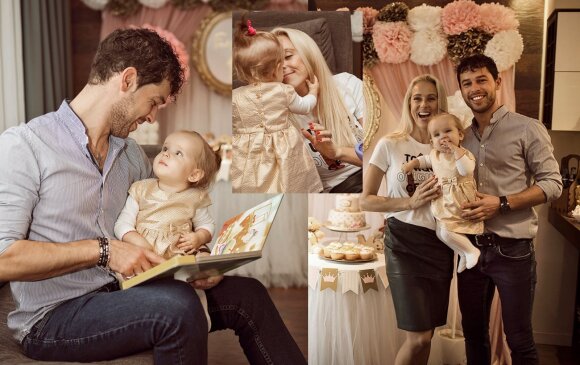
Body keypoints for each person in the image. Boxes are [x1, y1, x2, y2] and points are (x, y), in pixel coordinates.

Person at [0, 28, 306, 364]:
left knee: (249, 295)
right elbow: (4, 258)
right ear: (128, 80)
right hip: (53, 317)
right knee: (175, 306)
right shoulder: (24, 145)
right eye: (154, 102)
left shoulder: (130, 154)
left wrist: (197, 259)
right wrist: (104, 251)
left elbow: (167, 218)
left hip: (122, 292)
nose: (151, 117)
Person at [455, 54, 562, 365]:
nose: (474, 88)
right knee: (473, 335)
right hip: (470, 249)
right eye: (467, 83)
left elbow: (553, 184)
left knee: (519, 339)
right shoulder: (459, 136)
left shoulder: (528, 129)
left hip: (513, 250)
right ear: (461, 90)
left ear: (497, 82)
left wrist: (500, 203)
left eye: (481, 80)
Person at [360, 74, 453, 365]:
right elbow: (366, 199)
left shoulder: (449, 147)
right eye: (417, 98)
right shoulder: (390, 144)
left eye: (431, 97)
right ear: (409, 103)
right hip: (403, 243)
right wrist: (408, 202)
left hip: (441, 245)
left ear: (440, 102)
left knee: (430, 334)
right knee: (418, 337)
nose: (424, 105)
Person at [231, 19, 322, 193]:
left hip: (246, 151)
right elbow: (305, 107)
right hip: (283, 148)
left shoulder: (235, 96)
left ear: (242, 71)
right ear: (278, 68)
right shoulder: (283, 90)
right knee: (290, 180)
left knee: (250, 179)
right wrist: (313, 92)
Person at [272, 27, 365, 193]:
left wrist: (338, 152)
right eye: (274, 62)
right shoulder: (276, 117)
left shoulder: (347, 85)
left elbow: (382, 156)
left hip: (375, 174)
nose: (282, 66)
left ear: (309, 54)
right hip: (342, 189)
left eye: (288, 56)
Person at [114, 130, 220, 260]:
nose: (166, 153)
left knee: (200, 263)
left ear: (194, 175)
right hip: (143, 255)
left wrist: (199, 237)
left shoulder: (194, 198)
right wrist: (138, 242)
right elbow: (122, 224)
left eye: (178, 153)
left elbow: (207, 225)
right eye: (165, 148)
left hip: (179, 256)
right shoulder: (141, 189)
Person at [402, 113, 483, 273]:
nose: (443, 137)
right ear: (432, 142)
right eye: (437, 135)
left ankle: (471, 251)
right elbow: (425, 160)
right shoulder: (435, 154)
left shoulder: (465, 154)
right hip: (443, 199)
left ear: (460, 134)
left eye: (447, 131)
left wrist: (455, 150)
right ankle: (462, 253)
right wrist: (412, 164)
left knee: (447, 231)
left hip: (458, 199)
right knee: (441, 232)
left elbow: (466, 169)